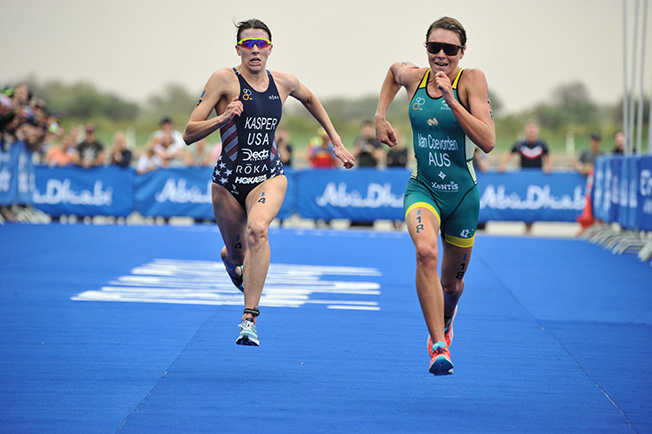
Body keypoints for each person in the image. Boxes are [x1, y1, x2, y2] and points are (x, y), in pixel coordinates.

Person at [182, 18, 354, 346]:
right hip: (228, 182)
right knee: (237, 257)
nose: (255, 50)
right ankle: (231, 260)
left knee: (258, 230)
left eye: (261, 44)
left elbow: (312, 100)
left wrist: (336, 141)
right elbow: (189, 133)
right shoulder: (223, 80)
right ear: (238, 50)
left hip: (268, 175)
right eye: (248, 44)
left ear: (270, 49)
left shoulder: (284, 82)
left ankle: (249, 318)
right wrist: (223, 117)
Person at [375, 17, 495, 375]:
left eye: (450, 49)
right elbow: (392, 72)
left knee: (451, 284)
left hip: (461, 198)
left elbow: (488, 141)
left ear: (462, 52)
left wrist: (451, 100)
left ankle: (447, 316)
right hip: (422, 188)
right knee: (425, 251)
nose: (441, 55)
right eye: (434, 47)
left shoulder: (471, 79)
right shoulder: (415, 77)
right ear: (426, 48)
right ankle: (438, 345)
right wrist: (381, 115)